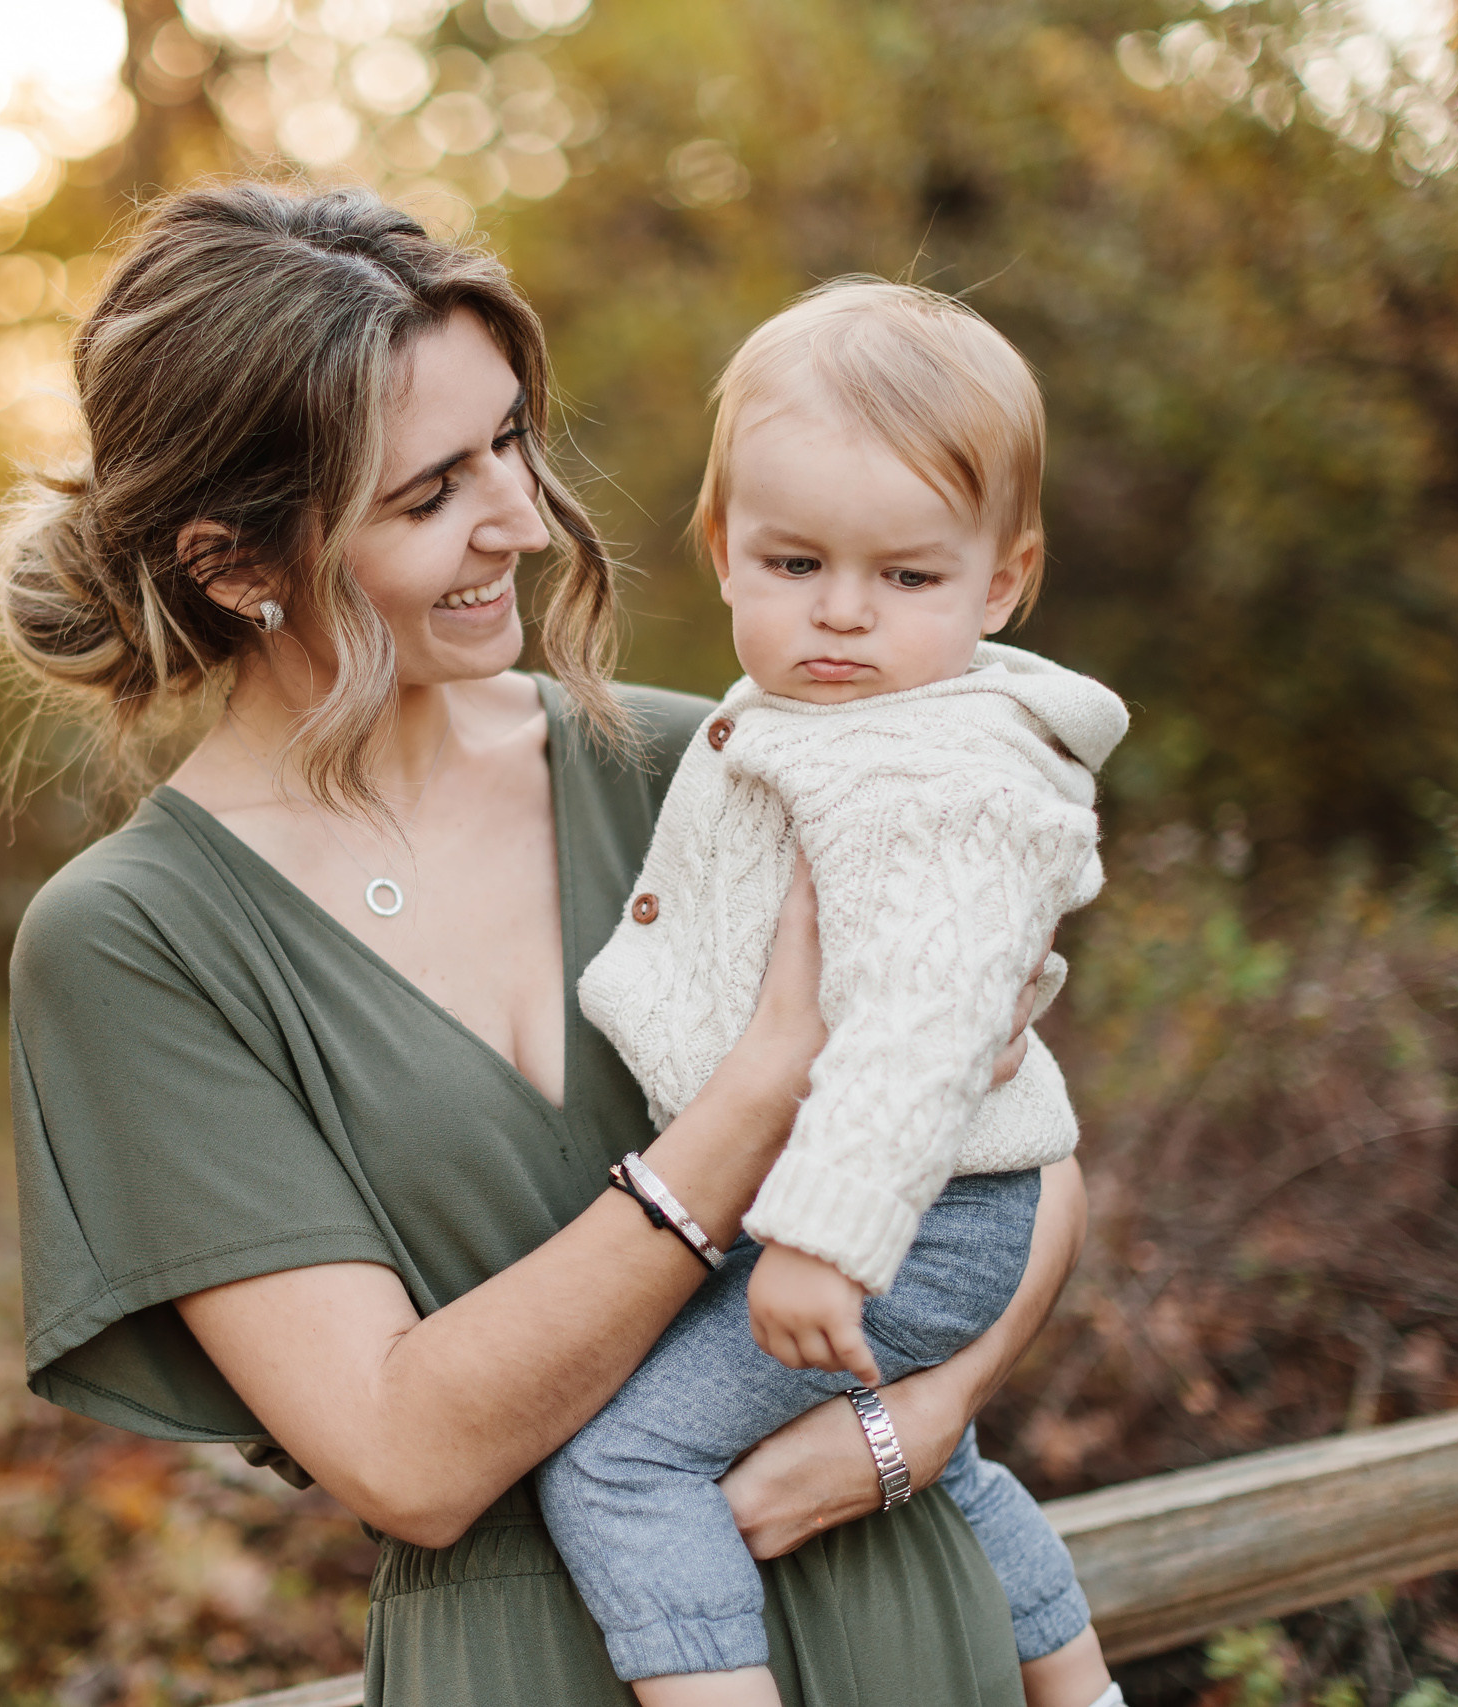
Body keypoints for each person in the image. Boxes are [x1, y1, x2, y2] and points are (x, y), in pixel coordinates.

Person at [0, 181, 1088, 1706]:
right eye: (428, 497)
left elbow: (1029, 1153)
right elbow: (408, 1459)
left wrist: (915, 1425)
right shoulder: (136, 947)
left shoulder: (720, 766)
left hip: (898, 1611)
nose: (522, 520)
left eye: (509, 443)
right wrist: (760, 1093)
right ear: (237, 562)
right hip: (532, 1661)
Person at [541, 280, 1126, 1707]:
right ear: (724, 550)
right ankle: (1081, 1689)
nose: (845, 615)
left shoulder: (943, 772)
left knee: (620, 1463)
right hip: (898, 1206)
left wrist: (823, 1241)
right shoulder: (821, 722)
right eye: (795, 563)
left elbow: (925, 1031)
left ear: (1000, 583)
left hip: (901, 1217)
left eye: (909, 579)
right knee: (947, 1461)